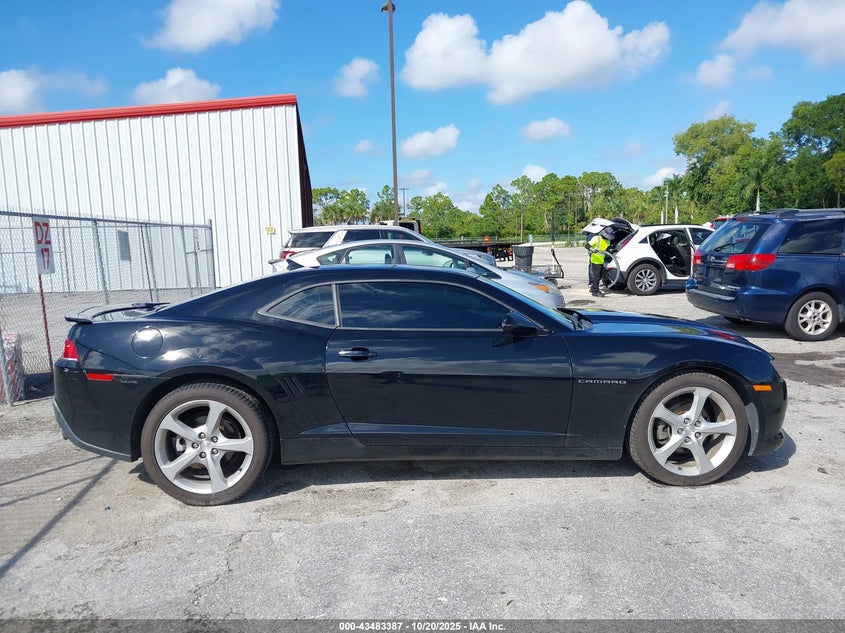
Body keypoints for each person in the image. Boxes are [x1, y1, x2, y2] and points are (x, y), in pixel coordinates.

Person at [587, 226, 614, 297]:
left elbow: (607, 249)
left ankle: (593, 288)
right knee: (597, 276)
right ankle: (595, 291)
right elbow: (587, 245)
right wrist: (592, 249)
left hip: (601, 260)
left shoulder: (608, 241)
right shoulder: (596, 238)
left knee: (601, 274)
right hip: (595, 260)